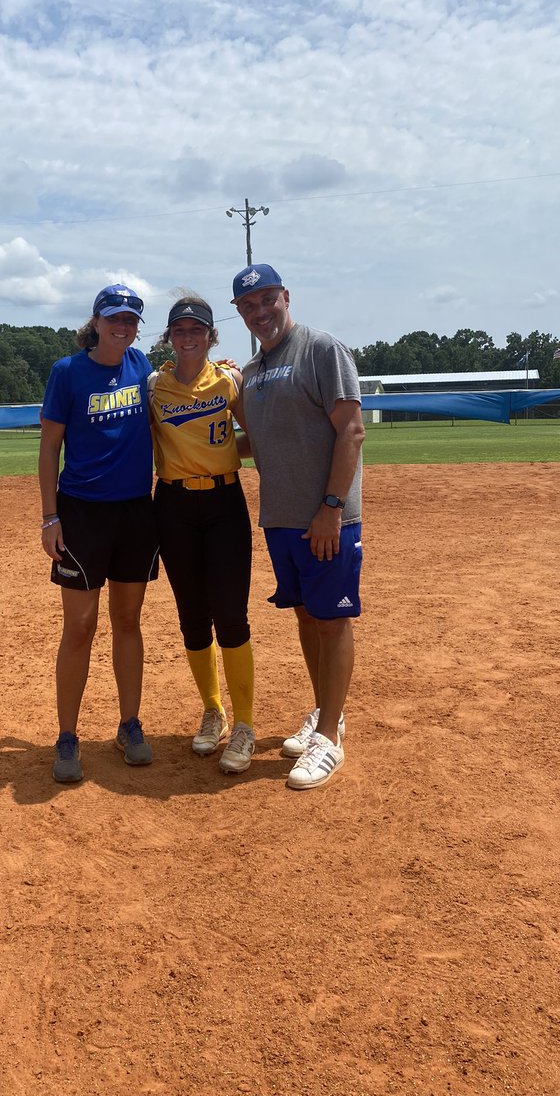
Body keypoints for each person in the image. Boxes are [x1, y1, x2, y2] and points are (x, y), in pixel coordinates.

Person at [232, 263, 365, 791]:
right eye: (249, 305)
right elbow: (257, 442)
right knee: (307, 617)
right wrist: (186, 445)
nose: (260, 311)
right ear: (240, 313)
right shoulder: (253, 370)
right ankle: (324, 713)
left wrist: (331, 507)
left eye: (268, 299)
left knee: (332, 621)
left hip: (326, 517)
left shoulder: (321, 350)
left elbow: (351, 431)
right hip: (281, 518)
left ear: (285, 296)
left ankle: (329, 737)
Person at [39, 284, 160, 783]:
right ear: (96, 321)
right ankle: (67, 736)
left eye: (130, 319)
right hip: (82, 513)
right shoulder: (68, 372)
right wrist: (50, 517)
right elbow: (50, 448)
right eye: (114, 318)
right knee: (80, 627)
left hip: (134, 511)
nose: (122, 326)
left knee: (128, 621)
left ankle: (129, 724)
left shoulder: (143, 366)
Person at [148, 292, 256, 774]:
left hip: (223, 503)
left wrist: (225, 453)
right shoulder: (155, 387)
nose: (187, 337)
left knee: (231, 615)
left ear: (211, 336)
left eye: (197, 330)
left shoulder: (230, 380)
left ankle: (245, 724)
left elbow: (256, 436)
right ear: (169, 337)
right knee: (192, 615)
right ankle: (213, 711)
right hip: (173, 506)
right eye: (179, 330)